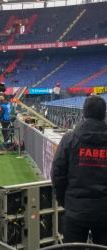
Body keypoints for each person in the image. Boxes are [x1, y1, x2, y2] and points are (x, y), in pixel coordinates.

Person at [51, 95, 107, 245]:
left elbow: (57, 173)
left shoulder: (69, 139)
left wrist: (65, 201)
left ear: (83, 115)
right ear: (104, 115)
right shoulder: (70, 139)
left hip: (75, 211)